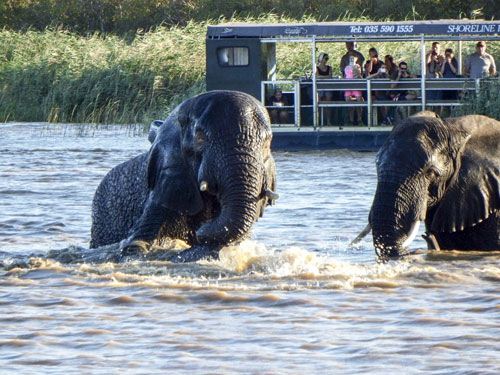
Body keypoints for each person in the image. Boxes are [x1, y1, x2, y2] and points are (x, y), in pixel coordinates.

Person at [366, 55, 399, 124]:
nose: (383, 69)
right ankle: (386, 119)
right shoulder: (377, 75)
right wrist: (377, 73)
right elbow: (367, 78)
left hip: (388, 95)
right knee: (384, 103)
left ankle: (388, 119)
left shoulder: (389, 75)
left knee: (394, 101)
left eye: (384, 68)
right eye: (382, 68)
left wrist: (386, 75)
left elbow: (391, 83)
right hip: (379, 95)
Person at [344, 55, 364, 125]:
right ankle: (351, 120)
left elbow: (359, 75)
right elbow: (345, 76)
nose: (352, 59)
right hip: (348, 86)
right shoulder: (346, 67)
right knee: (348, 102)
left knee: (359, 101)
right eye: (350, 58)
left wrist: (356, 70)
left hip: (356, 85)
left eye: (353, 58)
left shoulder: (357, 66)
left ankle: (359, 119)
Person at [316, 52, 333, 125]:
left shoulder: (329, 68)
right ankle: (318, 120)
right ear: (321, 59)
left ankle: (328, 121)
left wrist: (321, 77)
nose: (326, 60)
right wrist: (324, 77)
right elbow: (317, 76)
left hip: (327, 86)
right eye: (325, 58)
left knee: (328, 105)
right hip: (319, 87)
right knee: (318, 104)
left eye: (327, 59)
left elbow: (330, 76)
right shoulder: (316, 67)